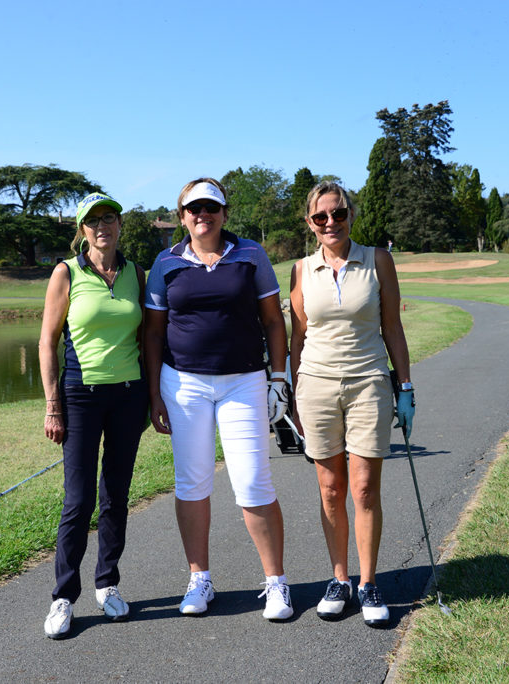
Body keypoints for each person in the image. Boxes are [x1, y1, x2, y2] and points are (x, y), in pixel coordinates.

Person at [144, 177, 294, 621]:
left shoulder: (250, 254)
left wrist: (278, 378)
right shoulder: (166, 262)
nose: (203, 215)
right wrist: (154, 393)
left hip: (243, 382)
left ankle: (276, 583)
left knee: (253, 483)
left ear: (225, 213)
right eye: (194, 209)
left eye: (211, 207)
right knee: (192, 484)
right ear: (182, 216)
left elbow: (273, 321)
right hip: (183, 384)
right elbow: (153, 332)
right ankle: (199, 579)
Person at [288, 181, 415, 627]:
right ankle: (339, 579)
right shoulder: (301, 270)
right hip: (316, 386)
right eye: (321, 216)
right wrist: (292, 392)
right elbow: (298, 336)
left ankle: (368, 582)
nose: (331, 222)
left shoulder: (377, 260)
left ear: (350, 216)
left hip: (368, 384)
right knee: (330, 489)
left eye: (338, 214)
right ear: (310, 223)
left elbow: (392, 326)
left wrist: (406, 387)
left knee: (363, 489)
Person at [38, 192, 149, 639]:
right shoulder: (67, 272)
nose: (102, 226)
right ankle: (64, 596)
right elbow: (47, 342)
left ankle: (108, 584)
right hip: (80, 397)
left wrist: (151, 397)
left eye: (109, 218)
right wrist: (53, 406)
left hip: (128, 396)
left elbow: (146, 337)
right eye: (93, 220)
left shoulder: (135, 273)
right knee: (78, 500)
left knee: (116, 496)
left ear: (120, 225)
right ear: (82, 230)